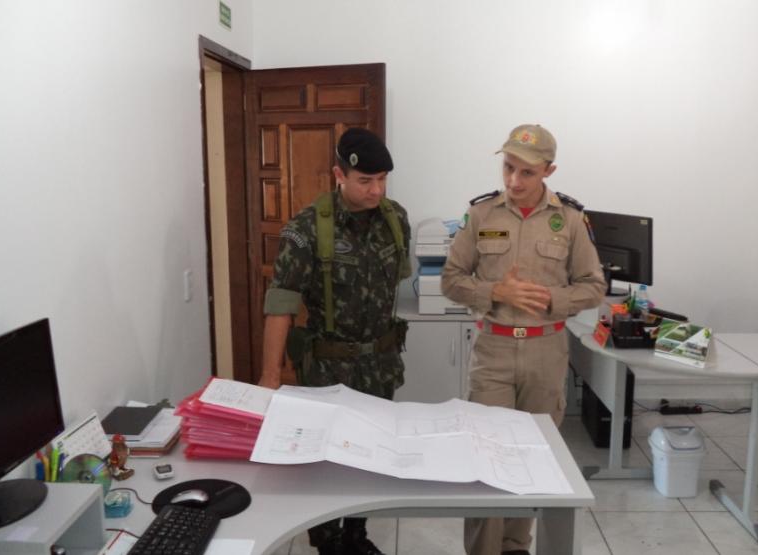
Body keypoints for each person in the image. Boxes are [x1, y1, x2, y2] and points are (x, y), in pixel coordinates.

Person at [441, 123, 607, 555]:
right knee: (486, 460)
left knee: (533, 456)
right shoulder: (481, 215)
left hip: (545, 352)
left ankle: (516, 545)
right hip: (493, 351)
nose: (514, 181)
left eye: (527, 172)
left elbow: (594, 287)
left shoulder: (570, 220)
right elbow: (451, 280)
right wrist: (496, 291)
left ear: (549, 170)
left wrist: (551, 299)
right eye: (508, 168)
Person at [259, 127, 411, 555]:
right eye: (365, 180)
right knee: (325, 462)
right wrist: (270, 378)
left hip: (379, 367)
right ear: (338, 175)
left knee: (370, 459)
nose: (376, 190)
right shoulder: (306, 229)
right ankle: (327, 542)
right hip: (328, 371)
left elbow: (395, 283)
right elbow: (281, 305)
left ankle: (357, 535)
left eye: (382, 179)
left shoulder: (396, 220)